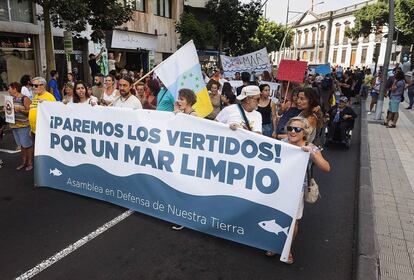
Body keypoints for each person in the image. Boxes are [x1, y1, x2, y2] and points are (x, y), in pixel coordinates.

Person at [265, 116, 330, 264]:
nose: (293, 132)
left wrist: (312, 153)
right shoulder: (282, 144)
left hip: (297, 191)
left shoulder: (311, 147)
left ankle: (287, 249)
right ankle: (274, 245)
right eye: (290, 128)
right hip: (278, 188)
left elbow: (326, 168)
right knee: (276, 216)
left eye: (297, 129)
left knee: (292, 220)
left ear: (305, 132)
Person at [8, 82, 33, 171]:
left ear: (15, 89)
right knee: (22, 145)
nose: (8, 90)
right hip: (15, 126)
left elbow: (31, 111)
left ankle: (29, 163)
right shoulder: (11, 99)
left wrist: (21, 110)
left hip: (24, 125)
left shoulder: (24, 98)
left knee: (27, 145)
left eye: (9, 88)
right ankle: (24, 162)